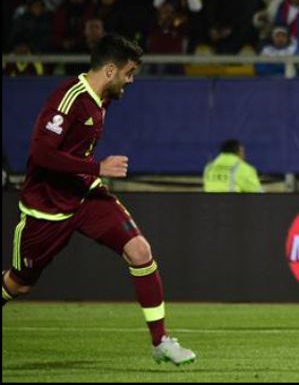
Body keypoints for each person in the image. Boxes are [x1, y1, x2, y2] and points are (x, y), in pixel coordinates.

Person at [1, 34, 196, 366]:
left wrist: (91, 174)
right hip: (46, 208)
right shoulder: (69, 98)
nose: (131, 80)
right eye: (129, 72)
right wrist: (97, 166)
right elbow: (40, 153)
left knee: (140, 251)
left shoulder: (102, 99)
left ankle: (160, 341)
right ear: (110, 70)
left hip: (86, 195)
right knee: (18, 284)